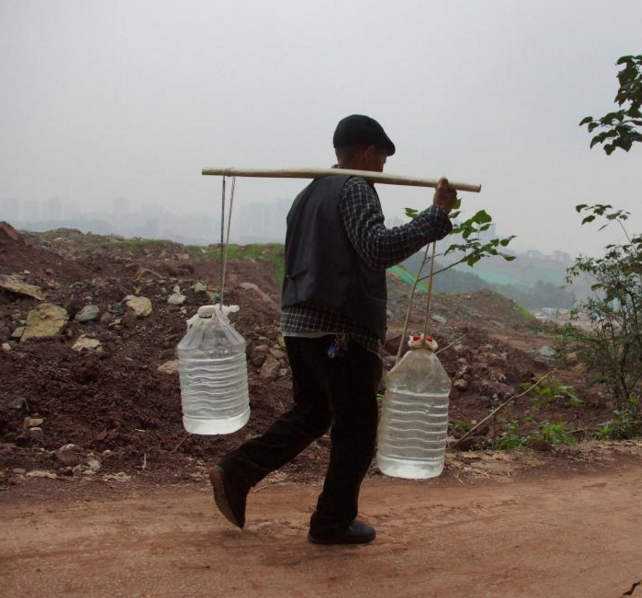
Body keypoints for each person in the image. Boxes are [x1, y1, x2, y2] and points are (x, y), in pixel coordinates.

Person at [209, 114, 457, 544]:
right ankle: (332, 522)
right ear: (366, 152)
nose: (381, 169)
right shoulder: (356, 188)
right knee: (358, 428)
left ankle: (236, 471)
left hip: (300, 324)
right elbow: (377, 248)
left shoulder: (308, 194)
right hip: (340, 331)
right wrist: (435, 215)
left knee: (312, 414)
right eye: (380, 159)